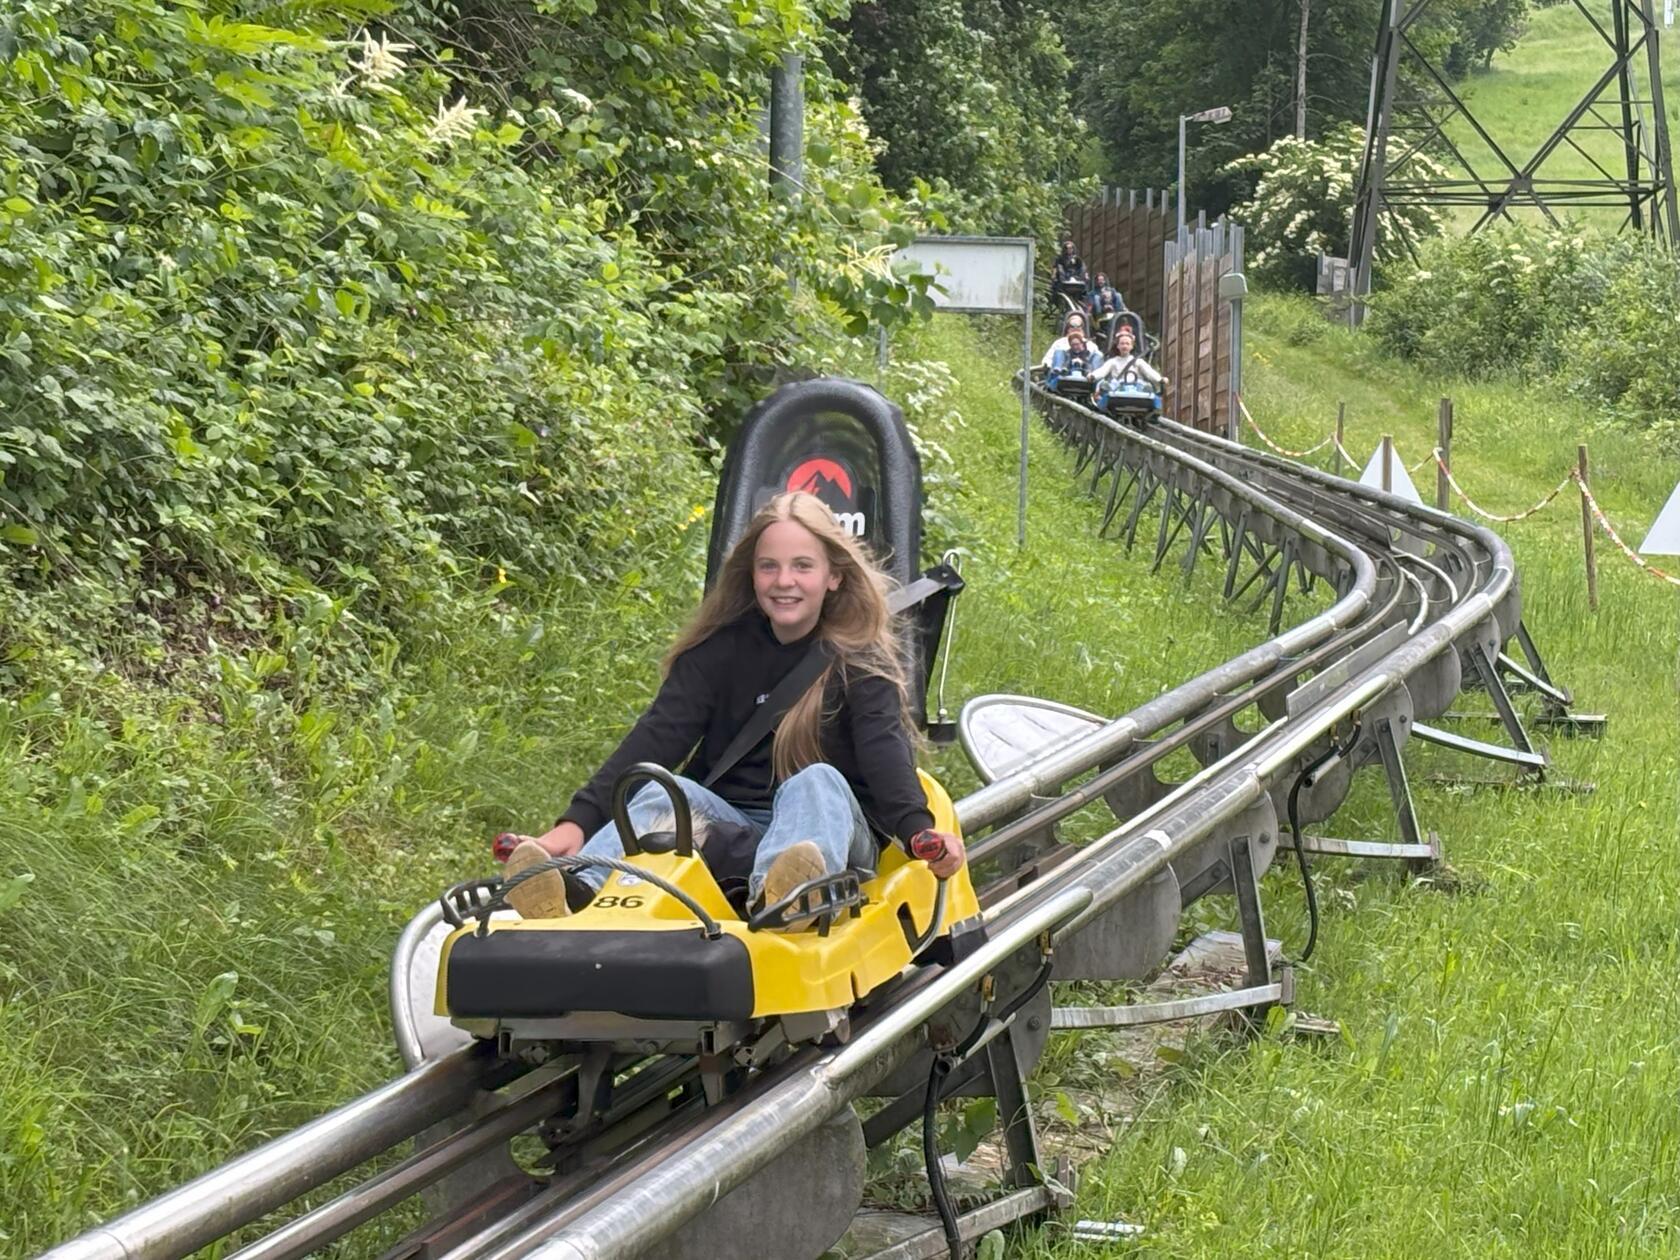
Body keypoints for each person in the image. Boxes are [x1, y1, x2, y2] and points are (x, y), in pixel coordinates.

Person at [496, 491, 968, 928]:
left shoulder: (860, 663)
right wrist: (576, 823)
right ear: (752, 575)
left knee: (816, 780)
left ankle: (785, 898)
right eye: (769, 567)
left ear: (834, 576)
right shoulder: (718, 652)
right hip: (735, 833)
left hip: (833, 836)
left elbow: (885, 752)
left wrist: (919, 833)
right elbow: (654, 739)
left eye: (802, 566)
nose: (784, 581)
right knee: (667, 790)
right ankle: (576, 892)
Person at [1089, 322, 1165, 400]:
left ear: (1131, 346)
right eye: (1122, 343)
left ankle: (1147, 393)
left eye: (1127, 344)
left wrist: (1160, 379)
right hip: (1118, 387)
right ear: (1118, 346)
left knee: (1146, 387)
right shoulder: (1113, 362)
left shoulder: (1138, 361)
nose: (1124, 346)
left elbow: (1149, 372)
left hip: (1137, 387)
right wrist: (1093, 376)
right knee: (1107, 386)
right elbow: (1102, 371)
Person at [1050, 239, 1089, 314]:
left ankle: (1081, 304)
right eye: (1067, 248)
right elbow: (1055, 268)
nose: (1069, 250)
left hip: (1076, 278)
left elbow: (1083, 267)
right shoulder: (1060, 259)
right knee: (1056, 287)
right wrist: (1054, 275)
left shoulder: (1077, 259)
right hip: (1064, 278)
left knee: (1083, 288)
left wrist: (1085, 275)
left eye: (1071, 248)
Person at [1088, 272, 1125, 340]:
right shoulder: (1092, 293)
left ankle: (1119, 313)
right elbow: (1091, 305)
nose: (1100, 281)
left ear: (1105, 281)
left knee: (1118, 295)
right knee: (1096, 297)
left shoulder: (1112, 290)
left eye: (1102, 280)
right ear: (1096, 281)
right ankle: (1100, 317)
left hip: (1112, 310)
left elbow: (1115, 300)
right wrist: (1103, 308)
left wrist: (1111, 307)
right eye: (1099, 280)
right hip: (1098, 312)